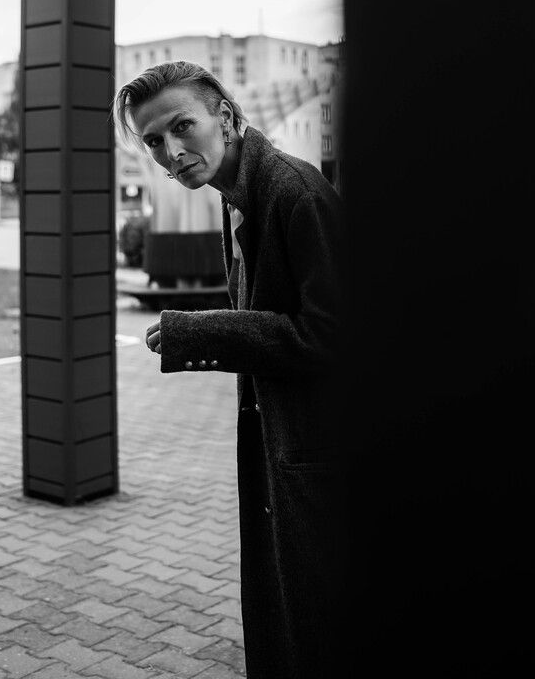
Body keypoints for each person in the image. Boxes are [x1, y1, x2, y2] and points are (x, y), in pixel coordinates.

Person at [113, 61, 343, 679]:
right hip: (285, 447)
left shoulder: (294, 193)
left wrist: (205, 332)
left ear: (226, 115)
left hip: (321, 457)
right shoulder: (237, 196)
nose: (171, 152)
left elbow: (332, 336)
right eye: (153, 141)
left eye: (182, 126)